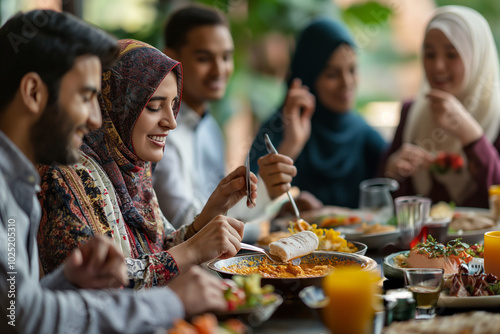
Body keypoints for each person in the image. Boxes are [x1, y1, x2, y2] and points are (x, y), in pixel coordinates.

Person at [0, 10, 227, 334]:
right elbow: (20, 317)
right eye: (86, 96)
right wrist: (170, 302)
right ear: (34, 93)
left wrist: (67, 282)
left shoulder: (18, 186)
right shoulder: (43, 181)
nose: (96, 119)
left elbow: (10, 311)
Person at [36, 38, 254, 289]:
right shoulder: (63, 179)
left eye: (173, 106)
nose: (171, 122)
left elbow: (157, 250)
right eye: (153, 107)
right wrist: (192, 251)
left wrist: (208, 216)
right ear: (115, 105)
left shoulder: (134, 168)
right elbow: (102, 284)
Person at [153, 4, 297, 228]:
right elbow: (187, 224)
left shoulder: (210, 126)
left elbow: (219, 213)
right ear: (171, 58)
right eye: (204, 58)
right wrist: (267, 200)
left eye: (226, 57)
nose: (219, 70)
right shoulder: (160, 132)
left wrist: (273, 206)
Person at [249, 18, 387, 209]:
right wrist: (292, 144)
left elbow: (394, 186)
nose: (347, 83)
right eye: (332, 74)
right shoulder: (277, 129)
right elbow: (248, 203)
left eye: (352, 70)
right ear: (308, 78)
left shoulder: (361, 133)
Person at [381, 5, 500, 208]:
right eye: (429, 54)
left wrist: (469, 134)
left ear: (478, 58)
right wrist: (394, 172)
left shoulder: (496, 116)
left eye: (452, 54)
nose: (437, 66)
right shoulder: (412, 112)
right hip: (421, 240)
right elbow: (385, 208)